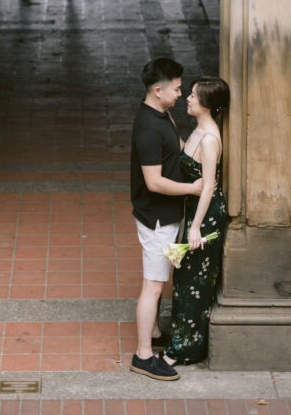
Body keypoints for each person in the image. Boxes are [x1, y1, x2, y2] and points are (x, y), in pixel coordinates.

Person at [130, 57, 202, 383]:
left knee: (158, 282)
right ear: (158, 91)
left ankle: (156, 330)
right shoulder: (148, 128)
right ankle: (143, 355)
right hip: (158, 219)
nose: (180, 93)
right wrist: (194, 187)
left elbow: (179, 148)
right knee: (153, 284)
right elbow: (154, 182)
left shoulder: (162, 114)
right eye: (175, 89)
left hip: (168, 216)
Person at [160, 77, 230, 368]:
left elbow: (209, 186)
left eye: (192, 96)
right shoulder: (198, 131)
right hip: (193, 209)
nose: (187, 98)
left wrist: (195, 226)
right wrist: (165, 121)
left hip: (205, 213)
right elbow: (184, 152)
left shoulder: (211, 139)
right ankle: (180, 341)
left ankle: (184, 350)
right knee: (184, 279)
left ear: (206, 105)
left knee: (193, 283)